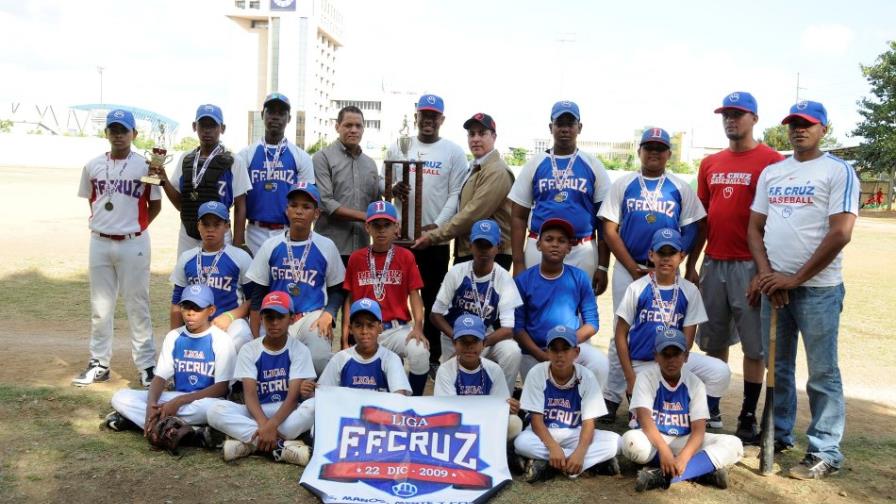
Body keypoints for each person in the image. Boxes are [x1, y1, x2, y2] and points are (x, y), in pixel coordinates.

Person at [747, 100, 859, 480]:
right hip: (776, 288)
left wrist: (794, 279)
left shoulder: (838, 170)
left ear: (823, 128)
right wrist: (767, 275)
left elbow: (841, 232)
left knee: (822, 372)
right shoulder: (773, 172)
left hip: (818, 291)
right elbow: (754, 228)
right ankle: (777, 435)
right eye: (793, 124)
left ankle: (825, 450)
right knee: (777, 366)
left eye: (807, 124)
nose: (799, 130)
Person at [692, 92, 784, 443]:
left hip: (750, 265)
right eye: (726, 115)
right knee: (713, 340)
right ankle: (711, 407)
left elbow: (777, 221)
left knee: (754, 347)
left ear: (754, 119)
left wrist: (765, 270)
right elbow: (702, 219)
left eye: (738, 114)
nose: (731, 120)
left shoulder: (772, 162)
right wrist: (693, 264)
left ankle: (747, 413)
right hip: (714, 262)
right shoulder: (710, 163)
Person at [598, 127, 707, 422]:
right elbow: (609, 228)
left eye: (660, 148)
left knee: (666, 326)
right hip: (628, 266)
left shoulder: (679, 187)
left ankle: (661, 392)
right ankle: (611, 396)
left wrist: (678, 259)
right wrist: (631, 266)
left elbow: (696, 225)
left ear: (669, 154)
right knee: (623, 330)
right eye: (649, 147)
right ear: (639, 151)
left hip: (664, 268)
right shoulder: (624, 184)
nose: (654, 152)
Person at [73, 109, 162, 388]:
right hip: (99, 240)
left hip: (133, 241)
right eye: (114, 129)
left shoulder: (146, 167)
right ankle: (99, 363)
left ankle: (147, 365)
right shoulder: (93, 165)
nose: (119, 135)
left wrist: (135, 225)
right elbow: (93, 200)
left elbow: (155, 204)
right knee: (100, 307)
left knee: (138, 304)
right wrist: (108, 223)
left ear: (134, 134)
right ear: (106, 133)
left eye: (124, 130)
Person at [614, 228, 730, 429]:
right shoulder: (637, 288)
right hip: (643, 363)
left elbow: (688, 341)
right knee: (639, 428)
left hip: (675, 360)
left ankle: (699, 412)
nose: (666, 259)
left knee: (720, 371)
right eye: (661, 253)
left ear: (682, 256)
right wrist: (630, 377)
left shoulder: (689, 290)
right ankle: (658, 412)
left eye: (672, 253)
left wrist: (676, 369)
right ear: (651, 255)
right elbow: (620, 335)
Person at [386, 94, 469, 366]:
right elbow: (389, 185)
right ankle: (394, 350)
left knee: (434, 295)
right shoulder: (400, 147)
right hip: (401, 238)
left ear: (442, 119)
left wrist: (437, 226)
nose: (428, 120)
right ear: (416, 115)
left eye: (434, 116)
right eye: (424, 114)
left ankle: (431, 355)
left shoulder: (453, 152)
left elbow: (456, 193)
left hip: (434, 240)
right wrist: (392, 190)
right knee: (397, 294)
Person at [620, 328, 744, 492]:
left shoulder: (695, 383)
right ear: (656, 356)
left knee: (734, 444)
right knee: (630, 441)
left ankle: (662, 477)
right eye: (665, 354)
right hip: (656, 439)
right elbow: (645, 421)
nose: (671, 360)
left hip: (685, 440)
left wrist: (684, 458)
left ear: (686, 356)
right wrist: (665, 451)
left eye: (676, 354)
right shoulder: (646, 378)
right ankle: (701, 472)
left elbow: (698, 431)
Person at [105, 284, 235, 437]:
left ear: (211, 310)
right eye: (186, 308)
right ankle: (183, 430)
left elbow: (221, 388)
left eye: (197, 308)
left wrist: (179, 401)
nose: (190, 313)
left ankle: (141, 422)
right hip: (176, 397)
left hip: (205, 400)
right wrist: (150, 408)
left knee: (215, 410)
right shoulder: (174, 336)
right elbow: (160, 378)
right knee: (120, 397)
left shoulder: (221, 340)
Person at [508, 100, 612, 289]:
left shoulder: (593, 164)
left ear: (579, 127)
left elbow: (604, 221)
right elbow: (518, 216)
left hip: (582, 248)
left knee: (579, 311)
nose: (565, 129)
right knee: (536, 307)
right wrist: (519, 262)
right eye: (559, 123)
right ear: (551, 127)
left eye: (570, 123)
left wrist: (603, 266)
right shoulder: (535, 163)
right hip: (539, 245)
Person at [206, 291, 317, 465]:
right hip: (256, 411)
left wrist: (271, 426)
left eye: (280, 317)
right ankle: (280, 447)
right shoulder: (250, 349)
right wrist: (265, 425)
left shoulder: (299, 350)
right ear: (261, 318)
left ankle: (249, 445)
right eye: (269, 317)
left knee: (314, 406)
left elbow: (293, 398)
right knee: (214, 410)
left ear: (291, 318)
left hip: (285, 411)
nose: (274, 323)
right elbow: (249, 395)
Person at [245, 182, 345, 375]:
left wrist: (329, 313)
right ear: (287, 210)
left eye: (306, 207)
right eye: (294, 205)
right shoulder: (271, 245)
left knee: (319, 358)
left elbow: (337, 289)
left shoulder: (326, 246)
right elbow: (258, 294)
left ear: (316, 214)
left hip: (311, 317)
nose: (299, 211)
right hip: (276, 317)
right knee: (274, 365)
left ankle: (316, 397)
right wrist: (255, 336)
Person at [342, 201, 429, 396]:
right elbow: (349, 297)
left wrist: (418, 327)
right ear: (367, 227)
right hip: (365, 329)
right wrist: (345, 333)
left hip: (396, 329)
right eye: (376, 225)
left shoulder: (406, 256)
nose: (381, 230)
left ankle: (414, 401)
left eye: (387, 225)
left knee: (420, 351)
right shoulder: (356, 258)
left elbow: (415, 294)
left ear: (396, 227)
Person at [514, 326, 620, 482]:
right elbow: (536, 422)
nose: (560, 355)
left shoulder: (587, 376)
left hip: (574, 433)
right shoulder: (537, 373)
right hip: (543, 432)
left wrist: (580, 452)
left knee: (617, 442)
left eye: (565, 349)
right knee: (521, 443)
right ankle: (576, 465)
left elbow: (589, 423)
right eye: (554, 349)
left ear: (576, 352)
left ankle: (554, 464)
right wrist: (553, 447)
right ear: (547, 352)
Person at [513, 218, 609, 388]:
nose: (555, 244)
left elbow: (592, 323)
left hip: (569, 348)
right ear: (538, 245)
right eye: (549, 239)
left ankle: (588, 410)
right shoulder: (523, 280)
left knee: (600, 362)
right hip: (534, 352)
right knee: (540, 408)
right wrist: (542, 354)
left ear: (569, 248)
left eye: (561, 241)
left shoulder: (579, 277)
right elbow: (518, 328)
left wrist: (565, 345)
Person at [413, 113, 515, 269]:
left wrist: (433, 236)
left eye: (482, 133)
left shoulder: (497, 171)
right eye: (471, 134)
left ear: (494, 136)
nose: (475, 139)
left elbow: (472, 214)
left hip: (490, 254)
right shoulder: (475, 167)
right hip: (471, 250)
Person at [431, 219, 523, 392]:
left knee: (512, 351)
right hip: (453, 335)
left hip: (484, 338)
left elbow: (508, 329)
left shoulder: (504, 279)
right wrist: (459, 341)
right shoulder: (457, 272)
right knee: (450, 380)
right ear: (470, 245)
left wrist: (477, 344)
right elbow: (435, 314)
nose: (483, 251)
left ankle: (503, 403)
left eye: (488, 245)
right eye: (479, 244)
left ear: (498, 246)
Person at [156, 104, 250, 257]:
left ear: (222, 128)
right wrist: (164, 179)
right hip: (188, 234)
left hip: (220, 234)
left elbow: (240, 205)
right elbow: (182, 204)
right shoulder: (186, 159)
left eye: (212, 125)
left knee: (220, 280)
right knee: (187, 278)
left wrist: (238, 243)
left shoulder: (234, 161)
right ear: (195, 126)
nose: (207, 130)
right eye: (203, 125)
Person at [236, 93, 314, 255]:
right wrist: (239, 241)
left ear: (289, 118)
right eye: (271, 112)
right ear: (262, 115)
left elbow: (307, 200)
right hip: (254, 231)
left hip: (287, 230)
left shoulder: (301, 156)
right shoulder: (246, 154)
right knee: (254, 280)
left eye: (281, 113)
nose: (275, 117)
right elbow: (239, 201)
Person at [170, 201, 253, 353]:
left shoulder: (240, 257)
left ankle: (236, 377)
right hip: (196, 324)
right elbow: (176, 303)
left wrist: (230, 316)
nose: (210, 230)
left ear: (227, 226)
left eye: (216, 224)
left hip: (228, 323)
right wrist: (175, 338)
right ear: (198, 226)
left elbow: (253, 299)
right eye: (206, 224)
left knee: (242, 332)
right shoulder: (187, 258)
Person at [434, 313, 523, 440]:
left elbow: (499, 407)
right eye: (464, 341)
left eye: (475, 341)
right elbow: (448, 411)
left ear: (484, 343)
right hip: (457, 425)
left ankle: (502, 453)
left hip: (486, 421)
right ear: (454, 343)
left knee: (514, 422)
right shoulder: (445, 370)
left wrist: (508, 407)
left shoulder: (494, 369)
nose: (469, 346)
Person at [313, 105, 381, 264]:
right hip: (329, 247)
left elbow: (376, 202)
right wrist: (366, 216)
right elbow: (325, 202)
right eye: (348, 125)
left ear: (363, 130)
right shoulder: (322, 158)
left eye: (358, 126)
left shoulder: (370, 164)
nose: (354, 130)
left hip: (363, 249)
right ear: (337, 127)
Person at [316, 298, 412, 395]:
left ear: (380, 328)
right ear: (350, 329)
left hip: (380, 410)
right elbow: (323, 393)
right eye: (358, 325)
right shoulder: (340, 359)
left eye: (370, 325)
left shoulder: (390, 359)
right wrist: (309, 392)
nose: (364, 331)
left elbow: (399, 398)